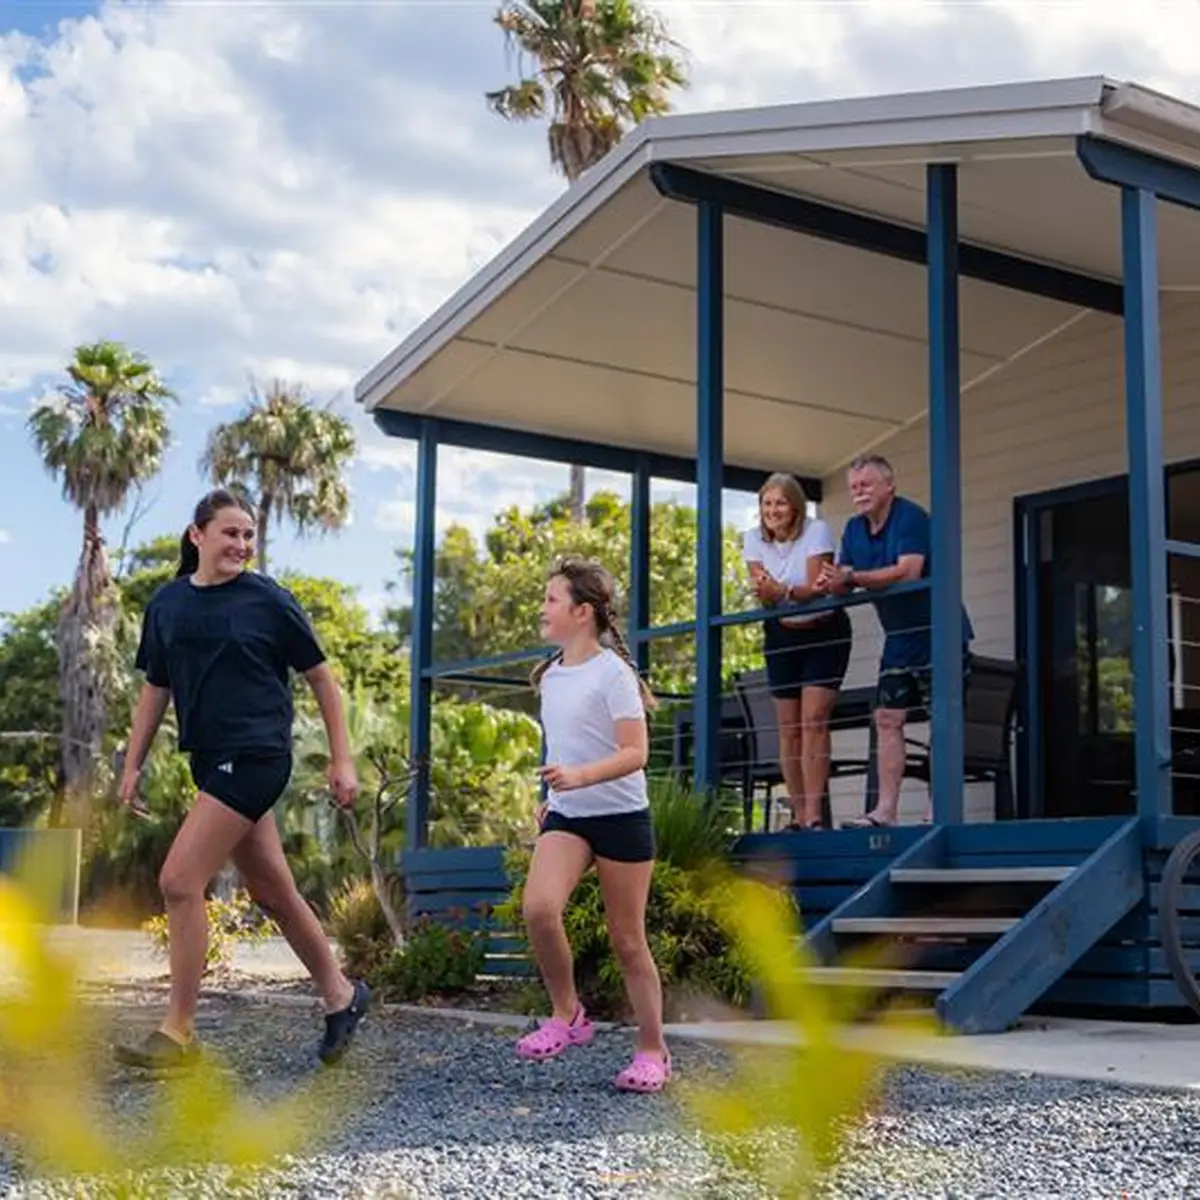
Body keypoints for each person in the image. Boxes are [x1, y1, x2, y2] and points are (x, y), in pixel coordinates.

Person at [113, 488, 370, 1070]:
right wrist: (132, 763)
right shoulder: (167, 605)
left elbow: (322, 679)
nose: (242, 544)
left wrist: (342, 759)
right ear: (196, 534)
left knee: (179, 880)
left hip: (256, 755)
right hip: (209, 760)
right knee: (272, 891)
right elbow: (156, 688)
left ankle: (178, 1032)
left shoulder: (269, 601)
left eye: (248, 535)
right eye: (230, 532)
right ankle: (342, 995)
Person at [515, 556, 669, 1093]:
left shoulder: (614, 675)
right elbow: (564, 745)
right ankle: (568, 1014)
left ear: (582, 612)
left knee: (627, 941)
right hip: (569, 815)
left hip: (621, 817)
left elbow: (635, 752)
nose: (542, 608)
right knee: (539, 908)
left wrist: (579, 776)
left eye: (551, 599)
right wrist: (553, 795)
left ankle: (652, 1050)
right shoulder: (551, 676)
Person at [816, 454, 973, 827]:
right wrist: (832, 582)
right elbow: (845, 579)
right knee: (887, 718)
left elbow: (908, 571)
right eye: (854, 487)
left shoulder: (910, 517)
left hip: (940, 633)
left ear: (889, 485)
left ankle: (939, 812)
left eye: (867, 484)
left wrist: (852, 577)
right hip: (898, 639)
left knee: (941, 720)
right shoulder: (854, 528)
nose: (859, 492)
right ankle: (885, 811)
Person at [742, 473, 852, 831]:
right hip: (781, 635)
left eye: (780, 503)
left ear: (796, 507)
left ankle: (815, 816)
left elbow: (816, 589)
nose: (772, 510)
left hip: (824, 632)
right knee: (788, 727)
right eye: (767, 503)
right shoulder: (752, 539)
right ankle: (799, 814)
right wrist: (785, 592)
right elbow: (764, 592)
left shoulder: (816, 531)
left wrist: (783, 591)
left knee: (814, 720)